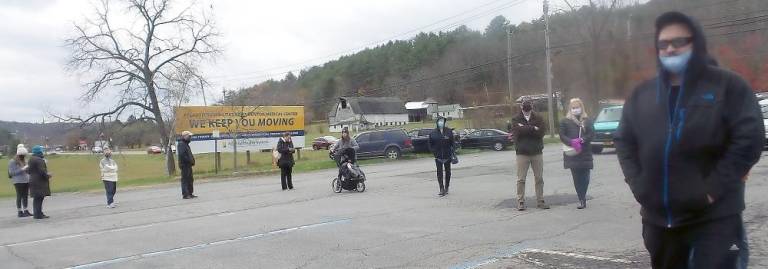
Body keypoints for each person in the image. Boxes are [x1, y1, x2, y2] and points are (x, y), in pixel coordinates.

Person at [614, 11, 764, 269]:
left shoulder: (727, 86)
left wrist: (712, 190)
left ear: (696, 43)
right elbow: (624, 141)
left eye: (679, 42)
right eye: (663, 44)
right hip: (659, 222)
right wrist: (639, 185)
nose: (670, 49)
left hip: (715, 218)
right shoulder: (643, 94)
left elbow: (749, 140)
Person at [510, 100, 549, 210]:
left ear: (532, 106)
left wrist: (524, 128)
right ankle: (520, 201)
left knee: (539, 178)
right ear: (521, 107)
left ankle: (540, 201)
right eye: (524, 106)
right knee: (521, 179)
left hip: (537, 152)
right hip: (522, 153)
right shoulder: (515, 118)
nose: (526, 109)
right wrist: (533, 128)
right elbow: (517, 131)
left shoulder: (539, 118)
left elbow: (541, 133)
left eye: (528, 106)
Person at [559, 98, 594, 209]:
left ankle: (583, 194)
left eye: (577, 107)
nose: (575, 110)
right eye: (573, 108)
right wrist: (572, 142)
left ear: (581, 107)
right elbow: (562, 135)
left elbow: (592, 134)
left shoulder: (587, 120)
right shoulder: (565, 121)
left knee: (586, 177)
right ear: (570, 109)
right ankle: (581, 199)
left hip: (585, 152)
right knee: (577, 177)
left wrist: (582, 140)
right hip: (572, 153)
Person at [427, 117, 455, 197]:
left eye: (442, 121)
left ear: (444, 122)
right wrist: (434, 152)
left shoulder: (449, 131)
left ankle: (446, 187)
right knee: (439, 173)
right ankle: (441, 189)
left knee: (448, 172)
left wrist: (452, 151)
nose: (441, 122)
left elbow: (452, 143)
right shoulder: (433, 133)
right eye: (440, 121)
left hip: (447, 155)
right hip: (438, 157)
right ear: (437, 122)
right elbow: (430, 144)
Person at [27, 145, 51, 219]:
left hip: (32, 179)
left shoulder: (31, 159)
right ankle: (38, 214)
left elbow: (28, 170)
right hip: (39, 181)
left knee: (37, 198)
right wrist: (47, 175)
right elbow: (42, 171)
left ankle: (37, 213)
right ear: (39, 151)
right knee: (40, 197)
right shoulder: (39, 160)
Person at [8, 145, 31, 217]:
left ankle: (26, 210)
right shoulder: (12, 161)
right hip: (18, 181)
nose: (23, 157)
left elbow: (27, 170)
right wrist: (22, 169)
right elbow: (11, 172)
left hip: (26, 180)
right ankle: (19, 211)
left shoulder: (25, 160)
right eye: (22, 155)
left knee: (25, 196)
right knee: (19, 195)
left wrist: (27, 169)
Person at [177, 131, 197, 199]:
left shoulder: (186, 144)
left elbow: (189, 154)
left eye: (190, 136)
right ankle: (185, 194)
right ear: (184, 136)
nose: (190, 138)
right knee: (185, 180)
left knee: (190, 179)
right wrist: (189, 161)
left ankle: (190, 193)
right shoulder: (181, 144)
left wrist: (192, 161)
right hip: (184, 165)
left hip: (189, 165)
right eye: (189, 136)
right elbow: (182, 155)